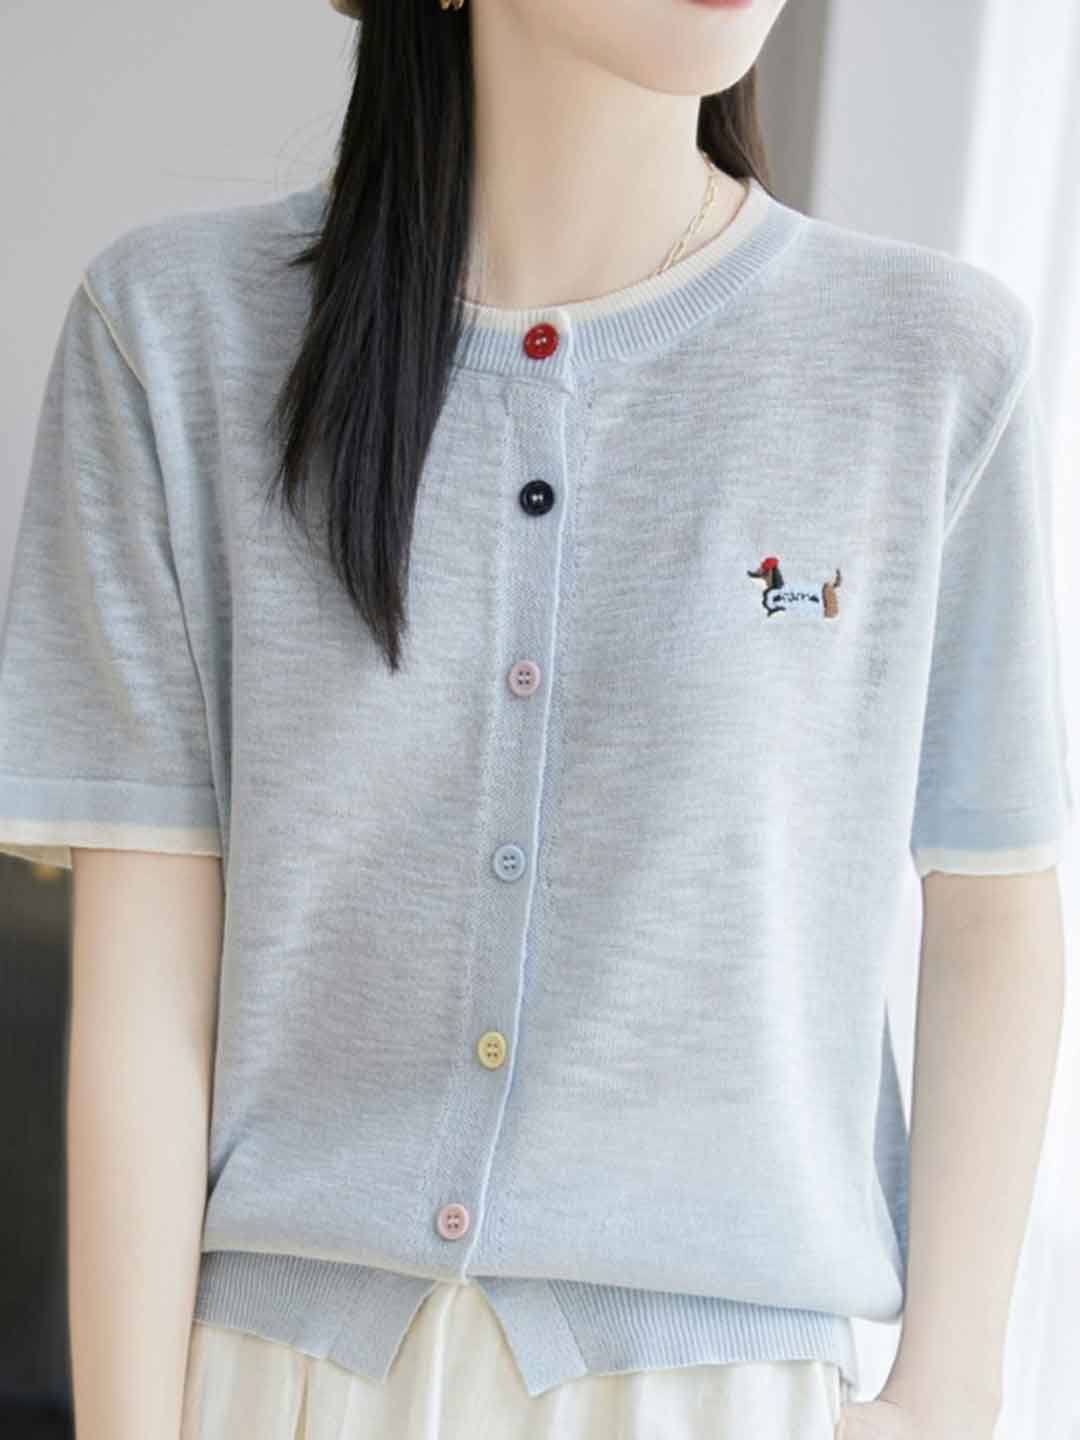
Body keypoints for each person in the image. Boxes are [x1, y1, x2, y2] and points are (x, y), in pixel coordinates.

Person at [0, 0, 1072, 1436]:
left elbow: (996, 901)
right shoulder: (171, 337)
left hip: (720, 1398)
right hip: (276, 1382)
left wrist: (947, 1393)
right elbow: (144, 978)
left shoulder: (927, 364)